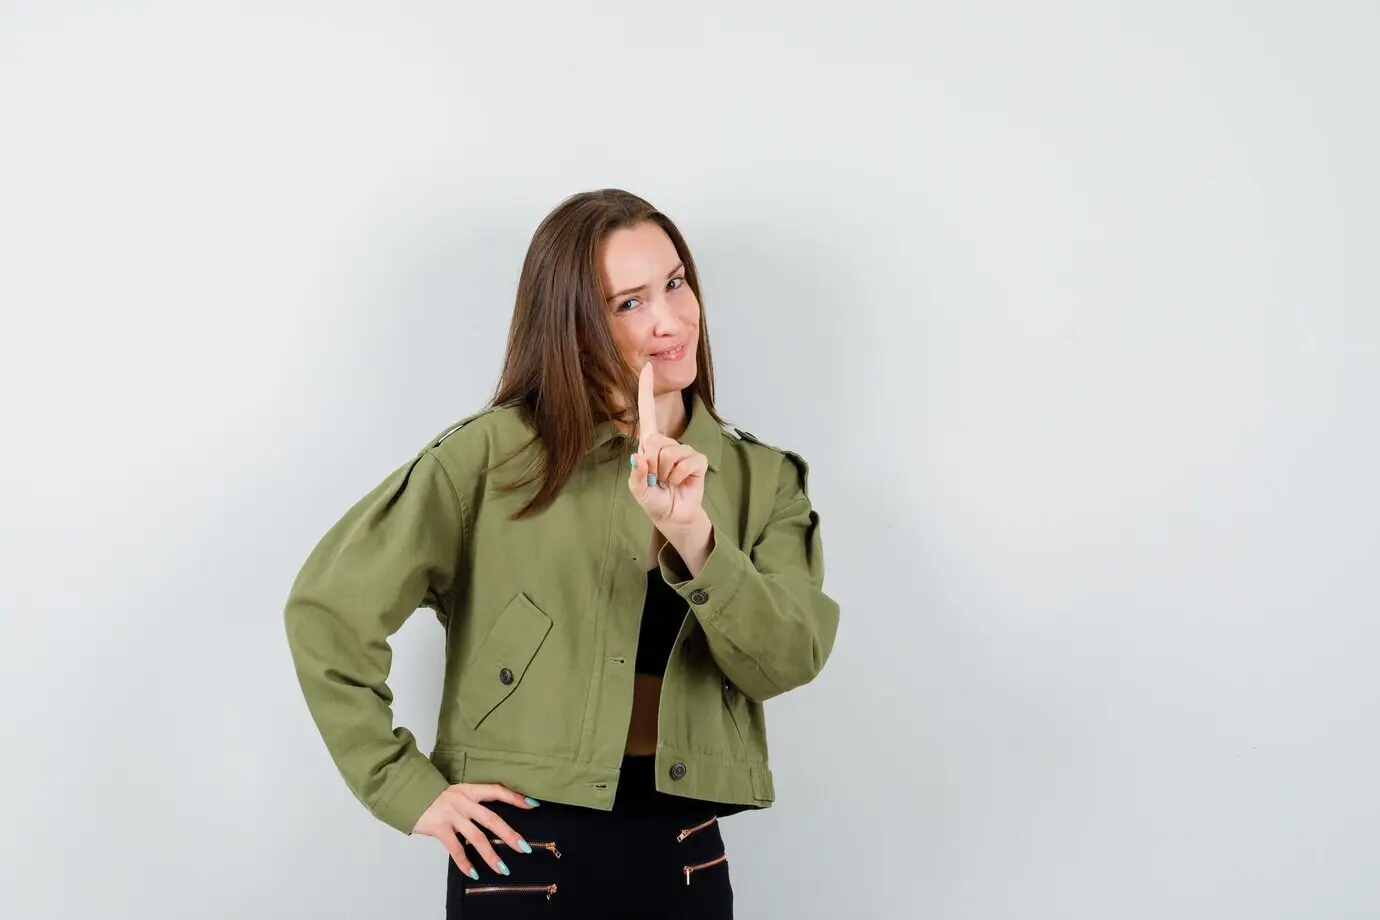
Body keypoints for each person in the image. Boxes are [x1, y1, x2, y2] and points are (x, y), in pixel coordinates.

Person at [283, 188, 841, 918]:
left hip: (685, 859)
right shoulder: (491, 458)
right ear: (574, 326)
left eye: (675, 283)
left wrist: (695, 539)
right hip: (521, 854)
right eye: (630, 302)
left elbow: (788, 660)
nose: (671, 320)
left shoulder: (762, 480)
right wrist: (403, 786)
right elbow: (328, 611)